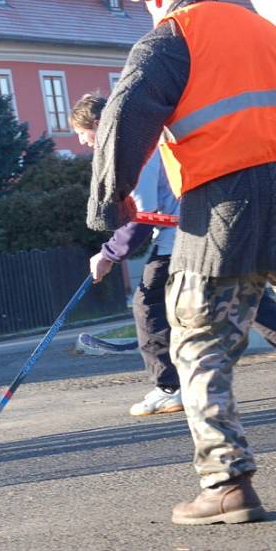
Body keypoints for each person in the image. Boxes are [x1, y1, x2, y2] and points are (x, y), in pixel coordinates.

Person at [86, 0, 276, 525]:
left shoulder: (170, 38)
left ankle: (226, 483)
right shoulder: (263, 29)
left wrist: (108, 204)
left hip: (225, 206)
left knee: (198, 345)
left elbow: (124, 118)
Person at [72, 95, 276, 417]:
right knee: (245, 297)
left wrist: (108, 254)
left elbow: (144, 213)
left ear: (99, 124)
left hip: (185, 237)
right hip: (220, 226)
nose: (83, 143)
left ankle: (170, 388)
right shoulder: (152, 136)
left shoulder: (134, 149)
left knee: (148, 303)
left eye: (83, 134)